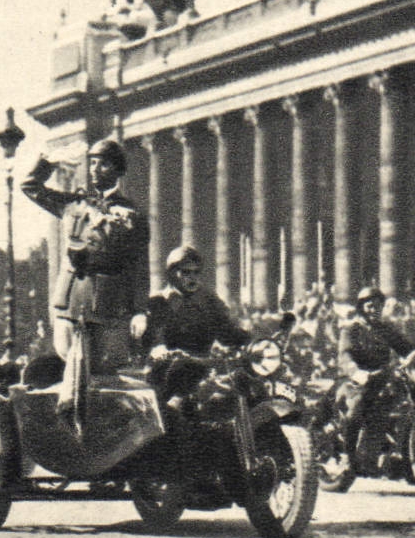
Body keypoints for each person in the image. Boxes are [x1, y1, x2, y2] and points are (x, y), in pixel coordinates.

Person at [22, 138, 149, 376]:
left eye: (103, 164)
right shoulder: (74, 204)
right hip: (69, 303)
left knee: (102, 374)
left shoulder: (132, 215)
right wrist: (50, 161)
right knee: (70, 368)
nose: (95, 170)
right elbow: (29, 186)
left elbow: (139, 266)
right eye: (92, 163)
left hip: (108, 306)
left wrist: (140, 310)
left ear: (118, 170)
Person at [141, 245, 252, 402]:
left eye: (196, 272)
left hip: (204, 373)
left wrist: (252, 342)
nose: (192, 277)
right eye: (185, 272)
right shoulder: (158, 302)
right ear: (172, 274)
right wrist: (162, 351)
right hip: (168, 376)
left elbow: (228, 331)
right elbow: (154, 340)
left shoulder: (208, 300)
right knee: (174, 411)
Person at [336, 286, 415, 460]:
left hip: (382, 378)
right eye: (370, 306)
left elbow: (406, 348)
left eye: (378, 305)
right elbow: (345, 354)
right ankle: (348, 455)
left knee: (409, 398)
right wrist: (355, 371)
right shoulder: (351, 329)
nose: (374, 310)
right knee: (356, 406)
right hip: (357, 381)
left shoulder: (385, 330)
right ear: (362, 308)